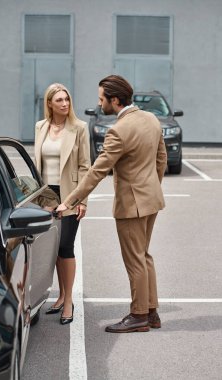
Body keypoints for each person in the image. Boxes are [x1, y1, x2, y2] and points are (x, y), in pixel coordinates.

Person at [57, 75, 167, 333]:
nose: (99, 104)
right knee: (144, 256)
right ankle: (151, 313)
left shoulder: (118, 130)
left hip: (132, 204)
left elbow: (97, 171)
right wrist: (152, 187)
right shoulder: (151, 119)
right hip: (151, 200)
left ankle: (138, 315)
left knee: (135, 260)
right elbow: (160, 159)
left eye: (101, 99)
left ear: (114, 100)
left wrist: (69, 201)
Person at [34, 83, 90, 325]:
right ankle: (61, 295)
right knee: (54, 247)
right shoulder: (40, 127)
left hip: (70, 194)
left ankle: (69, 302)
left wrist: (82, 200)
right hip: (46, 196)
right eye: (59, 100)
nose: (65, 104)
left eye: (67, 99)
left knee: (66, 246)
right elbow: (39, 165)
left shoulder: (79, 128)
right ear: (49, 104)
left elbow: (85, 167)